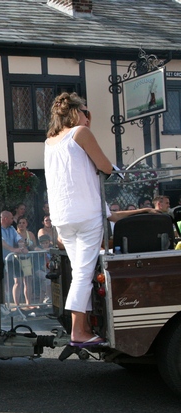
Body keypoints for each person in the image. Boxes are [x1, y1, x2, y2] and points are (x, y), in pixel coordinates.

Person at [44, 92, 157, 347]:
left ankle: (82, 328)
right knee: (83, 274)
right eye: (87, 112)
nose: (88, 117)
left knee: (79, 272)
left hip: (63, 216)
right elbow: (106, 167)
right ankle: (78, 331)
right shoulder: (80, 132)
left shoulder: (50, 142)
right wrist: (87, 126)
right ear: (77, 113)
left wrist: (142, 211)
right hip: (86, 215)